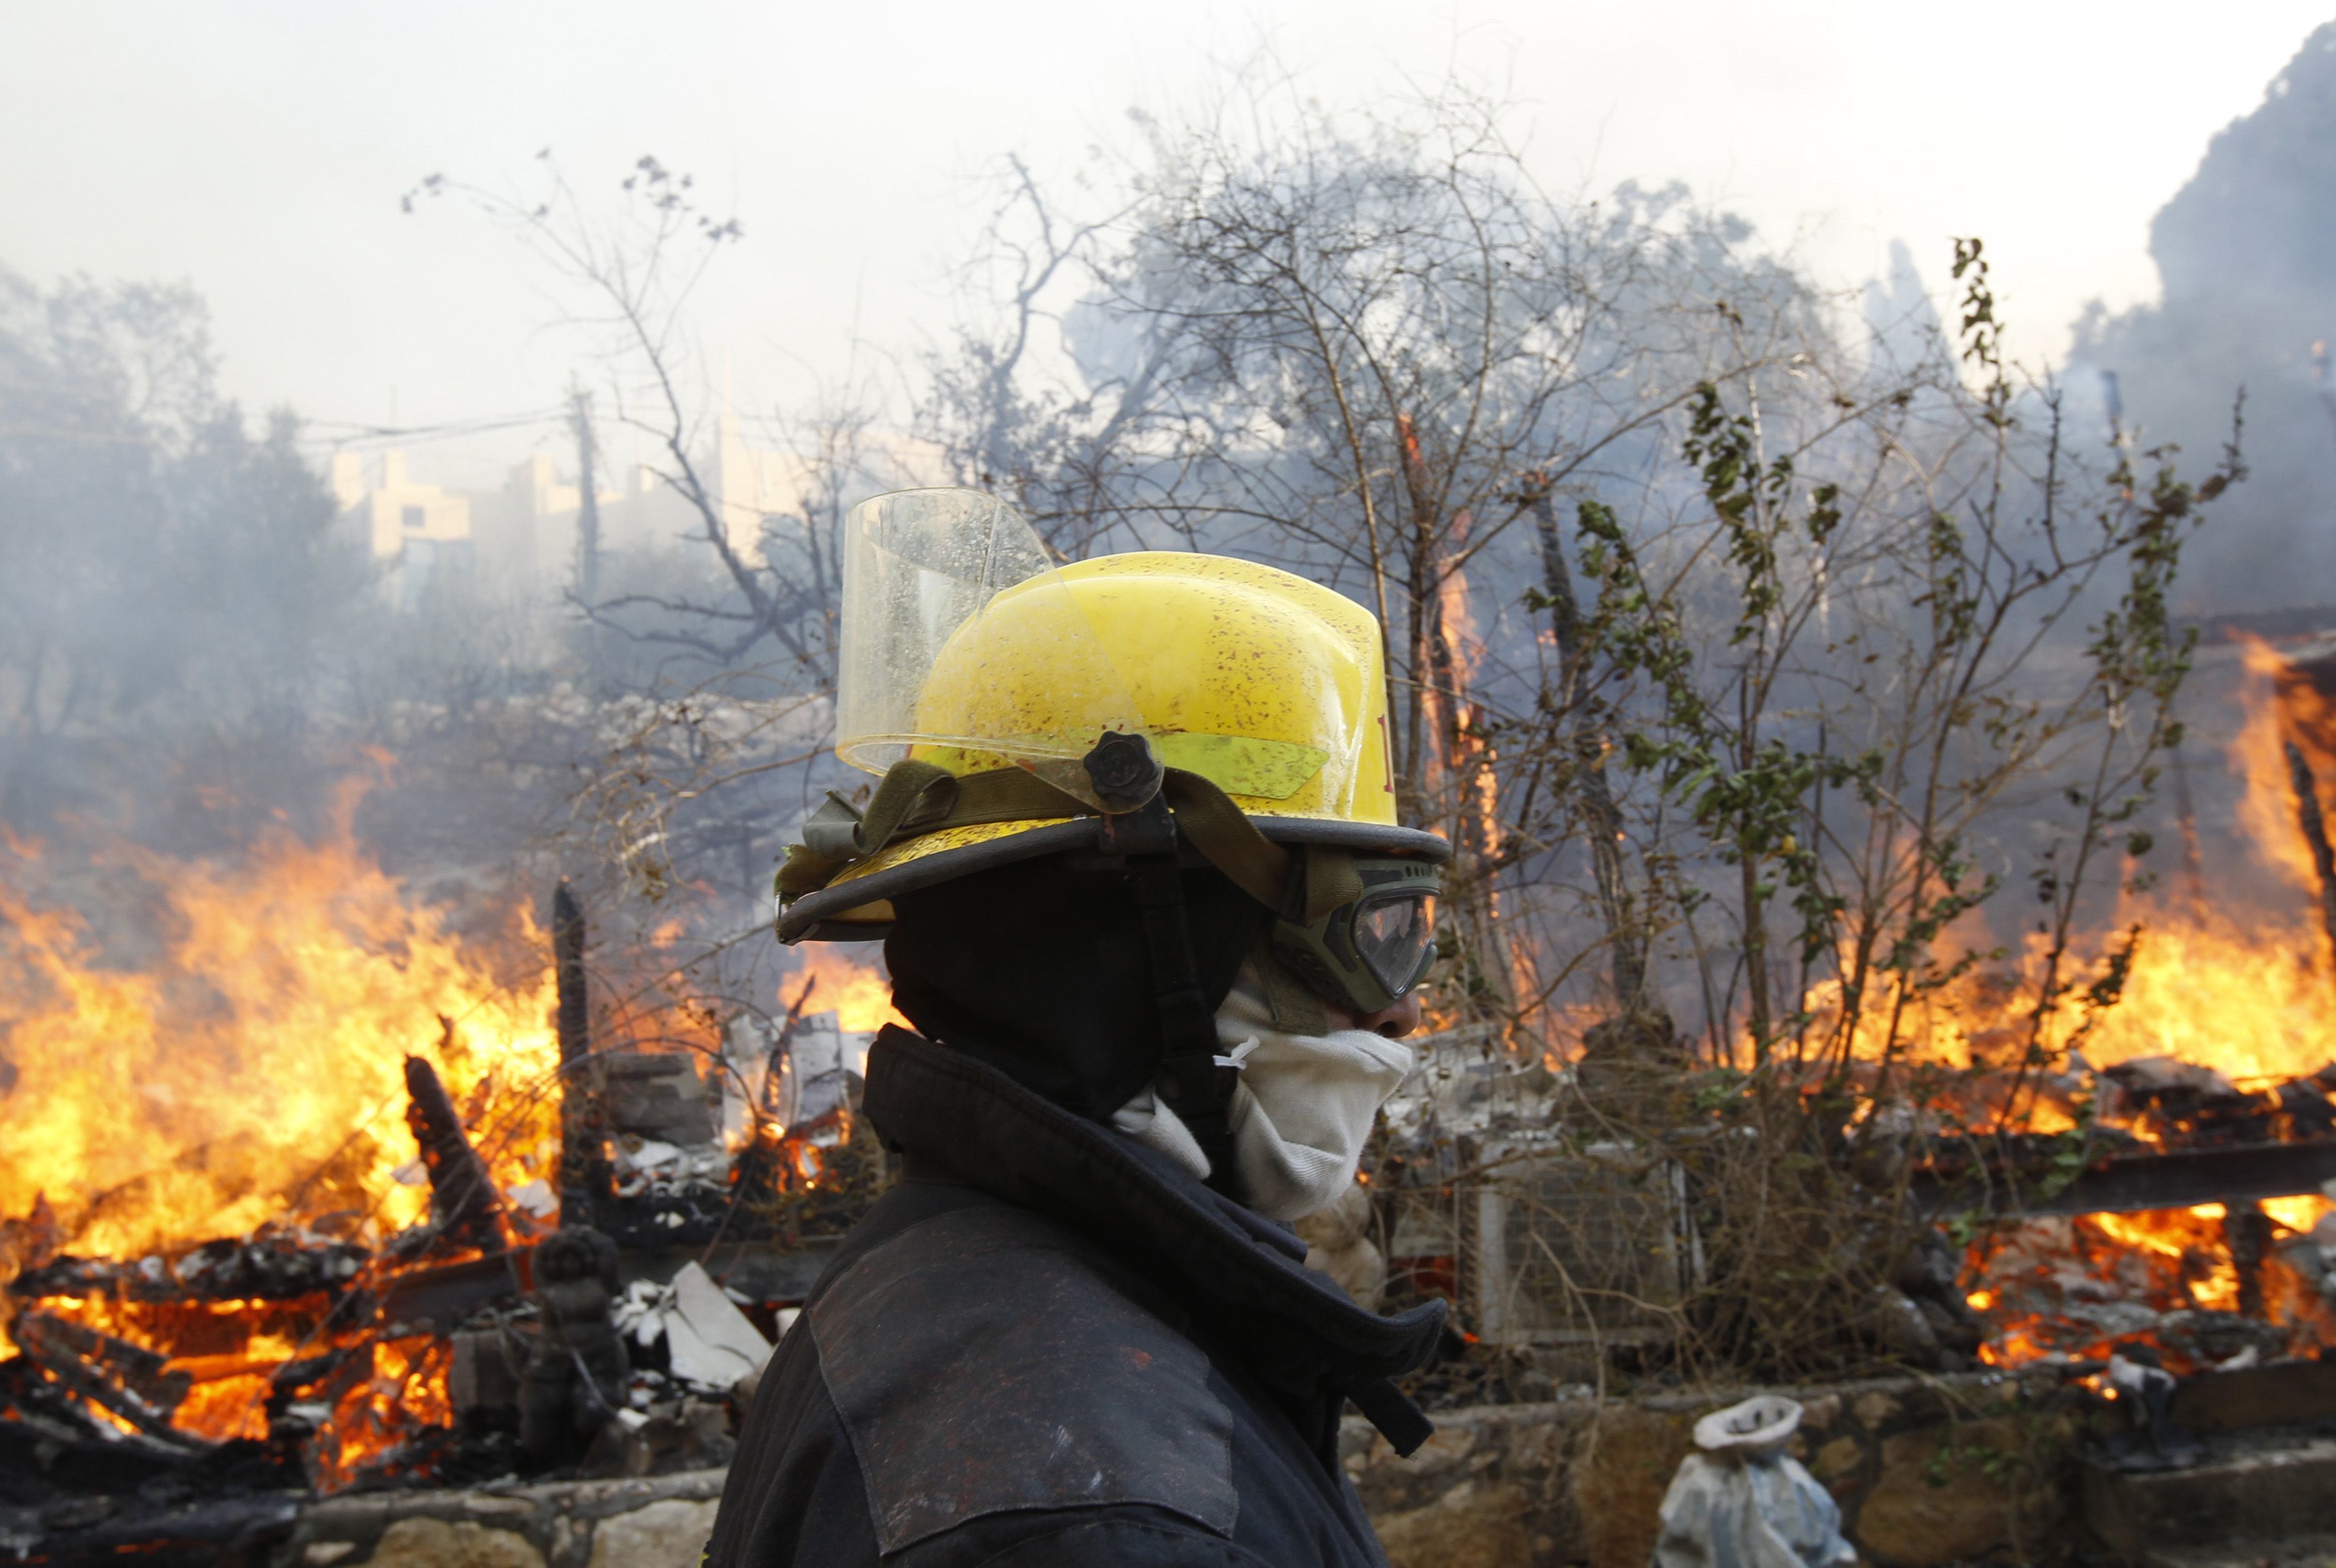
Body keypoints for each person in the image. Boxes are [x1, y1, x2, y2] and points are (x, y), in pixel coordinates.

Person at [704, 489, 1450, 1567]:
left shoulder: (953, 1279)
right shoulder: (1095, 1514)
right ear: (1149, 949)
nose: (1402, 1007)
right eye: (1369, 932)